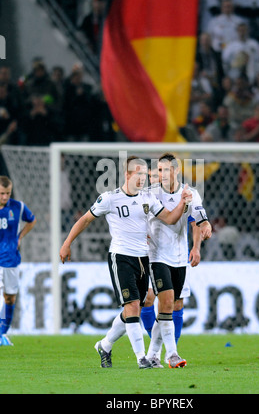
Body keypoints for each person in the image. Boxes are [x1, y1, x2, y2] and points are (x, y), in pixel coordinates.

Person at [59, 156, 193, 369]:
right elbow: (85, 219)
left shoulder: (147, 197)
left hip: (143, 258)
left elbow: (169, 218)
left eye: (144, 174)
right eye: (138, 174)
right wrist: (67, 243)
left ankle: (105, 344)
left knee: (134, 309)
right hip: (120, 256)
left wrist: (183, 203)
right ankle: (142, 358)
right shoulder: (109, 199)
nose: (143, 178)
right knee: (132, 306)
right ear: (128, 174)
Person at [145, 153, 212, 368]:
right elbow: (143, 219)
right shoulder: (151, 193)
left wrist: (203, 231)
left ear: (176, 171)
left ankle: (153, 354)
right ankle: (172, 353)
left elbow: (198, 219)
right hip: (156, 256)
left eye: (165, 170)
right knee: (162, 302)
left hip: (179, 257)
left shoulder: (190, 193)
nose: (161, 174)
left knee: (175, 304)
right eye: (159, 170)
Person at [0, 176, 36, 346]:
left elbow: (32, 220)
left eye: (7, 193)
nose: (5, 197)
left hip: (10, 260)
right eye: (1, 193)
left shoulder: (18, 207)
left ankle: (2, 334)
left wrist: (20, 236)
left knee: (10, 298)